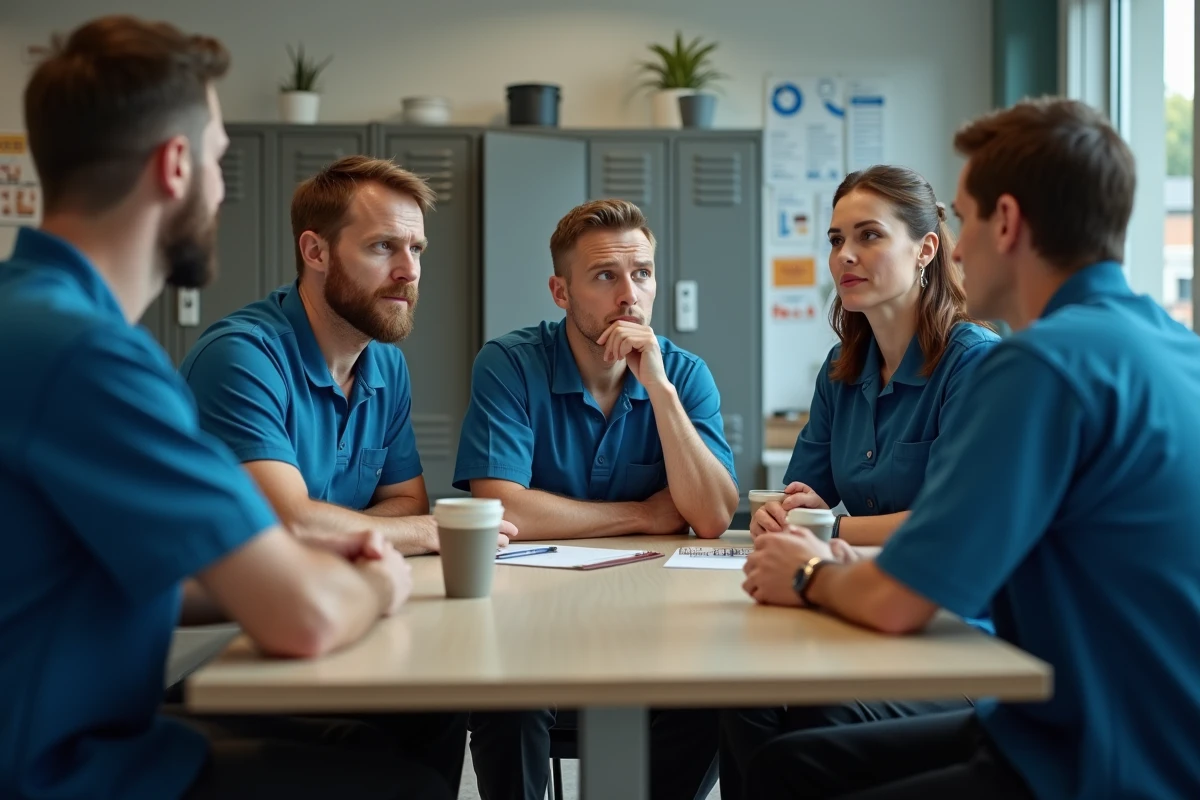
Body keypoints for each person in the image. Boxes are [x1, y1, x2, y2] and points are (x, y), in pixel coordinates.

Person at [0, 16, 459, 800]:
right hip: (67, 768)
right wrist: (375, 584)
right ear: (175, 166)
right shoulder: (89, 355)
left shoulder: (39, 318)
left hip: (73, 735)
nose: (221, 188)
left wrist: (305, 561)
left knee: (401, 737)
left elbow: (125, 574)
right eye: (218, 160)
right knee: (396, 783)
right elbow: (305, 620)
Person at [741, 97, 1200, 799]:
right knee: (790, 763)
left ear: (1007, 222)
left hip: (1098, 753)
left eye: (966, 217)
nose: (956, 247)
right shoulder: (1174, 348)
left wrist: (806, 574)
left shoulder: (1038, 365)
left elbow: (898, 603)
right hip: (1133, 723)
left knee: (800, 757)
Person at [719, 166, 999, 798]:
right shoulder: (843, 367)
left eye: (869, 236)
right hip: (857, 606)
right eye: (836, 238)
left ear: (926, 249)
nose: (844, 255)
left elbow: (947, 525)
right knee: (739, 691)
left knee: (818, 718)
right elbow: (798, 500)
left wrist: (831, 526)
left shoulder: (973, 361)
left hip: (954, 630)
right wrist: (777, 516)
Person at [452, 199, 739, 800]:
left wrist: (657, 387)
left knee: (718, 698)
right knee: (506, 696)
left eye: (643, 273)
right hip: (530, 618)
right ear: (561, 291)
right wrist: (645, 515)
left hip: (655, 622)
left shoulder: (684, 376)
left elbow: (710, 516)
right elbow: (503, 509)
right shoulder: (508, 364)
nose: (629, 295)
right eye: (606, 276)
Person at [181, 155, 515, 557]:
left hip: (337, 588)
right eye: (383, 246)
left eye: (416, 249)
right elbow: (289, 525)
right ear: (316, 252)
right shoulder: (241, 359)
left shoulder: (386, 367)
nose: (409, 271)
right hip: (223, 614)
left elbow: (409, 503)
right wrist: (425, 532)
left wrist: (346, 529)